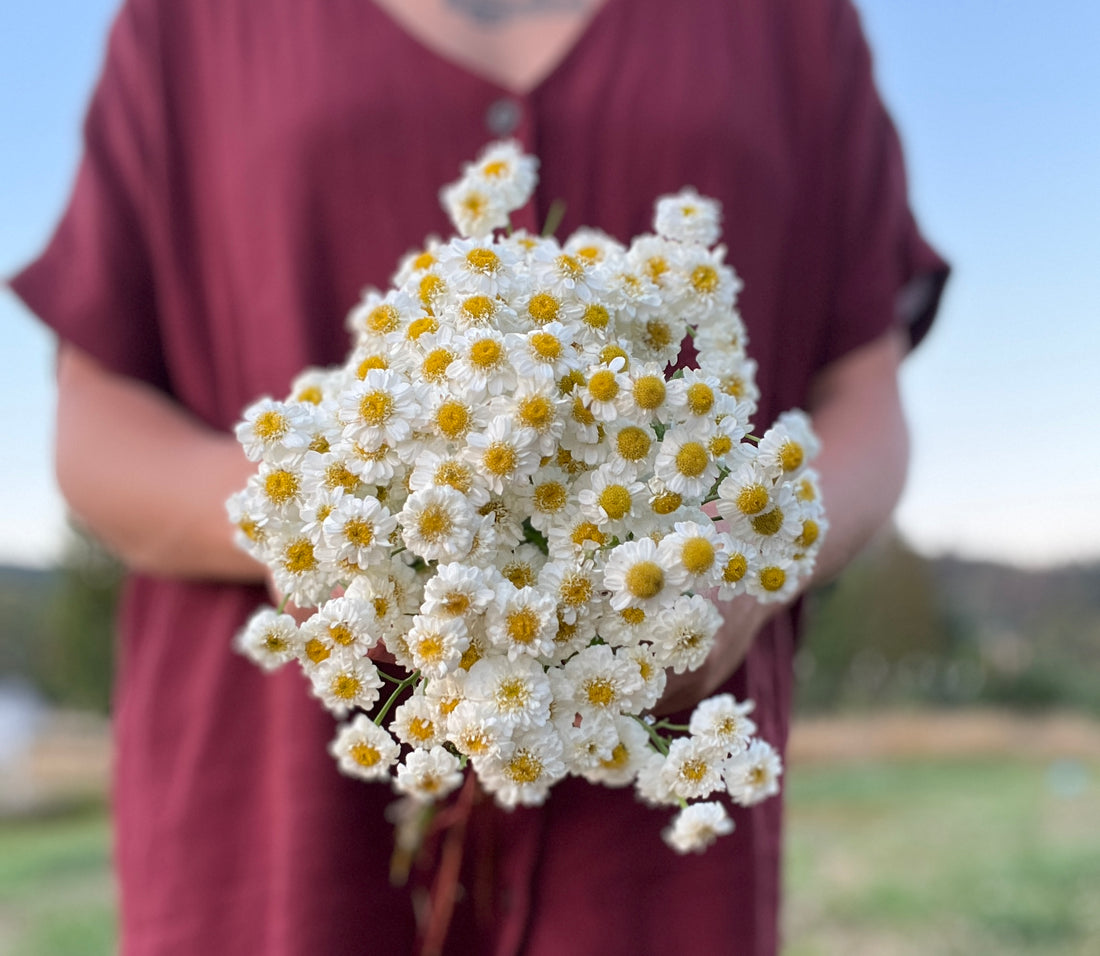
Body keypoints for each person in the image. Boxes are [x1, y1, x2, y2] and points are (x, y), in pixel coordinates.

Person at [10, 0, 947, 952]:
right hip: (272, 804)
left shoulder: (792, 24)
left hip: (654, 835)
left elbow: (864, 400)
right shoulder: (188, 22)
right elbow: (93, 423)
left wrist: (751, 558)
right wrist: (329, 522)